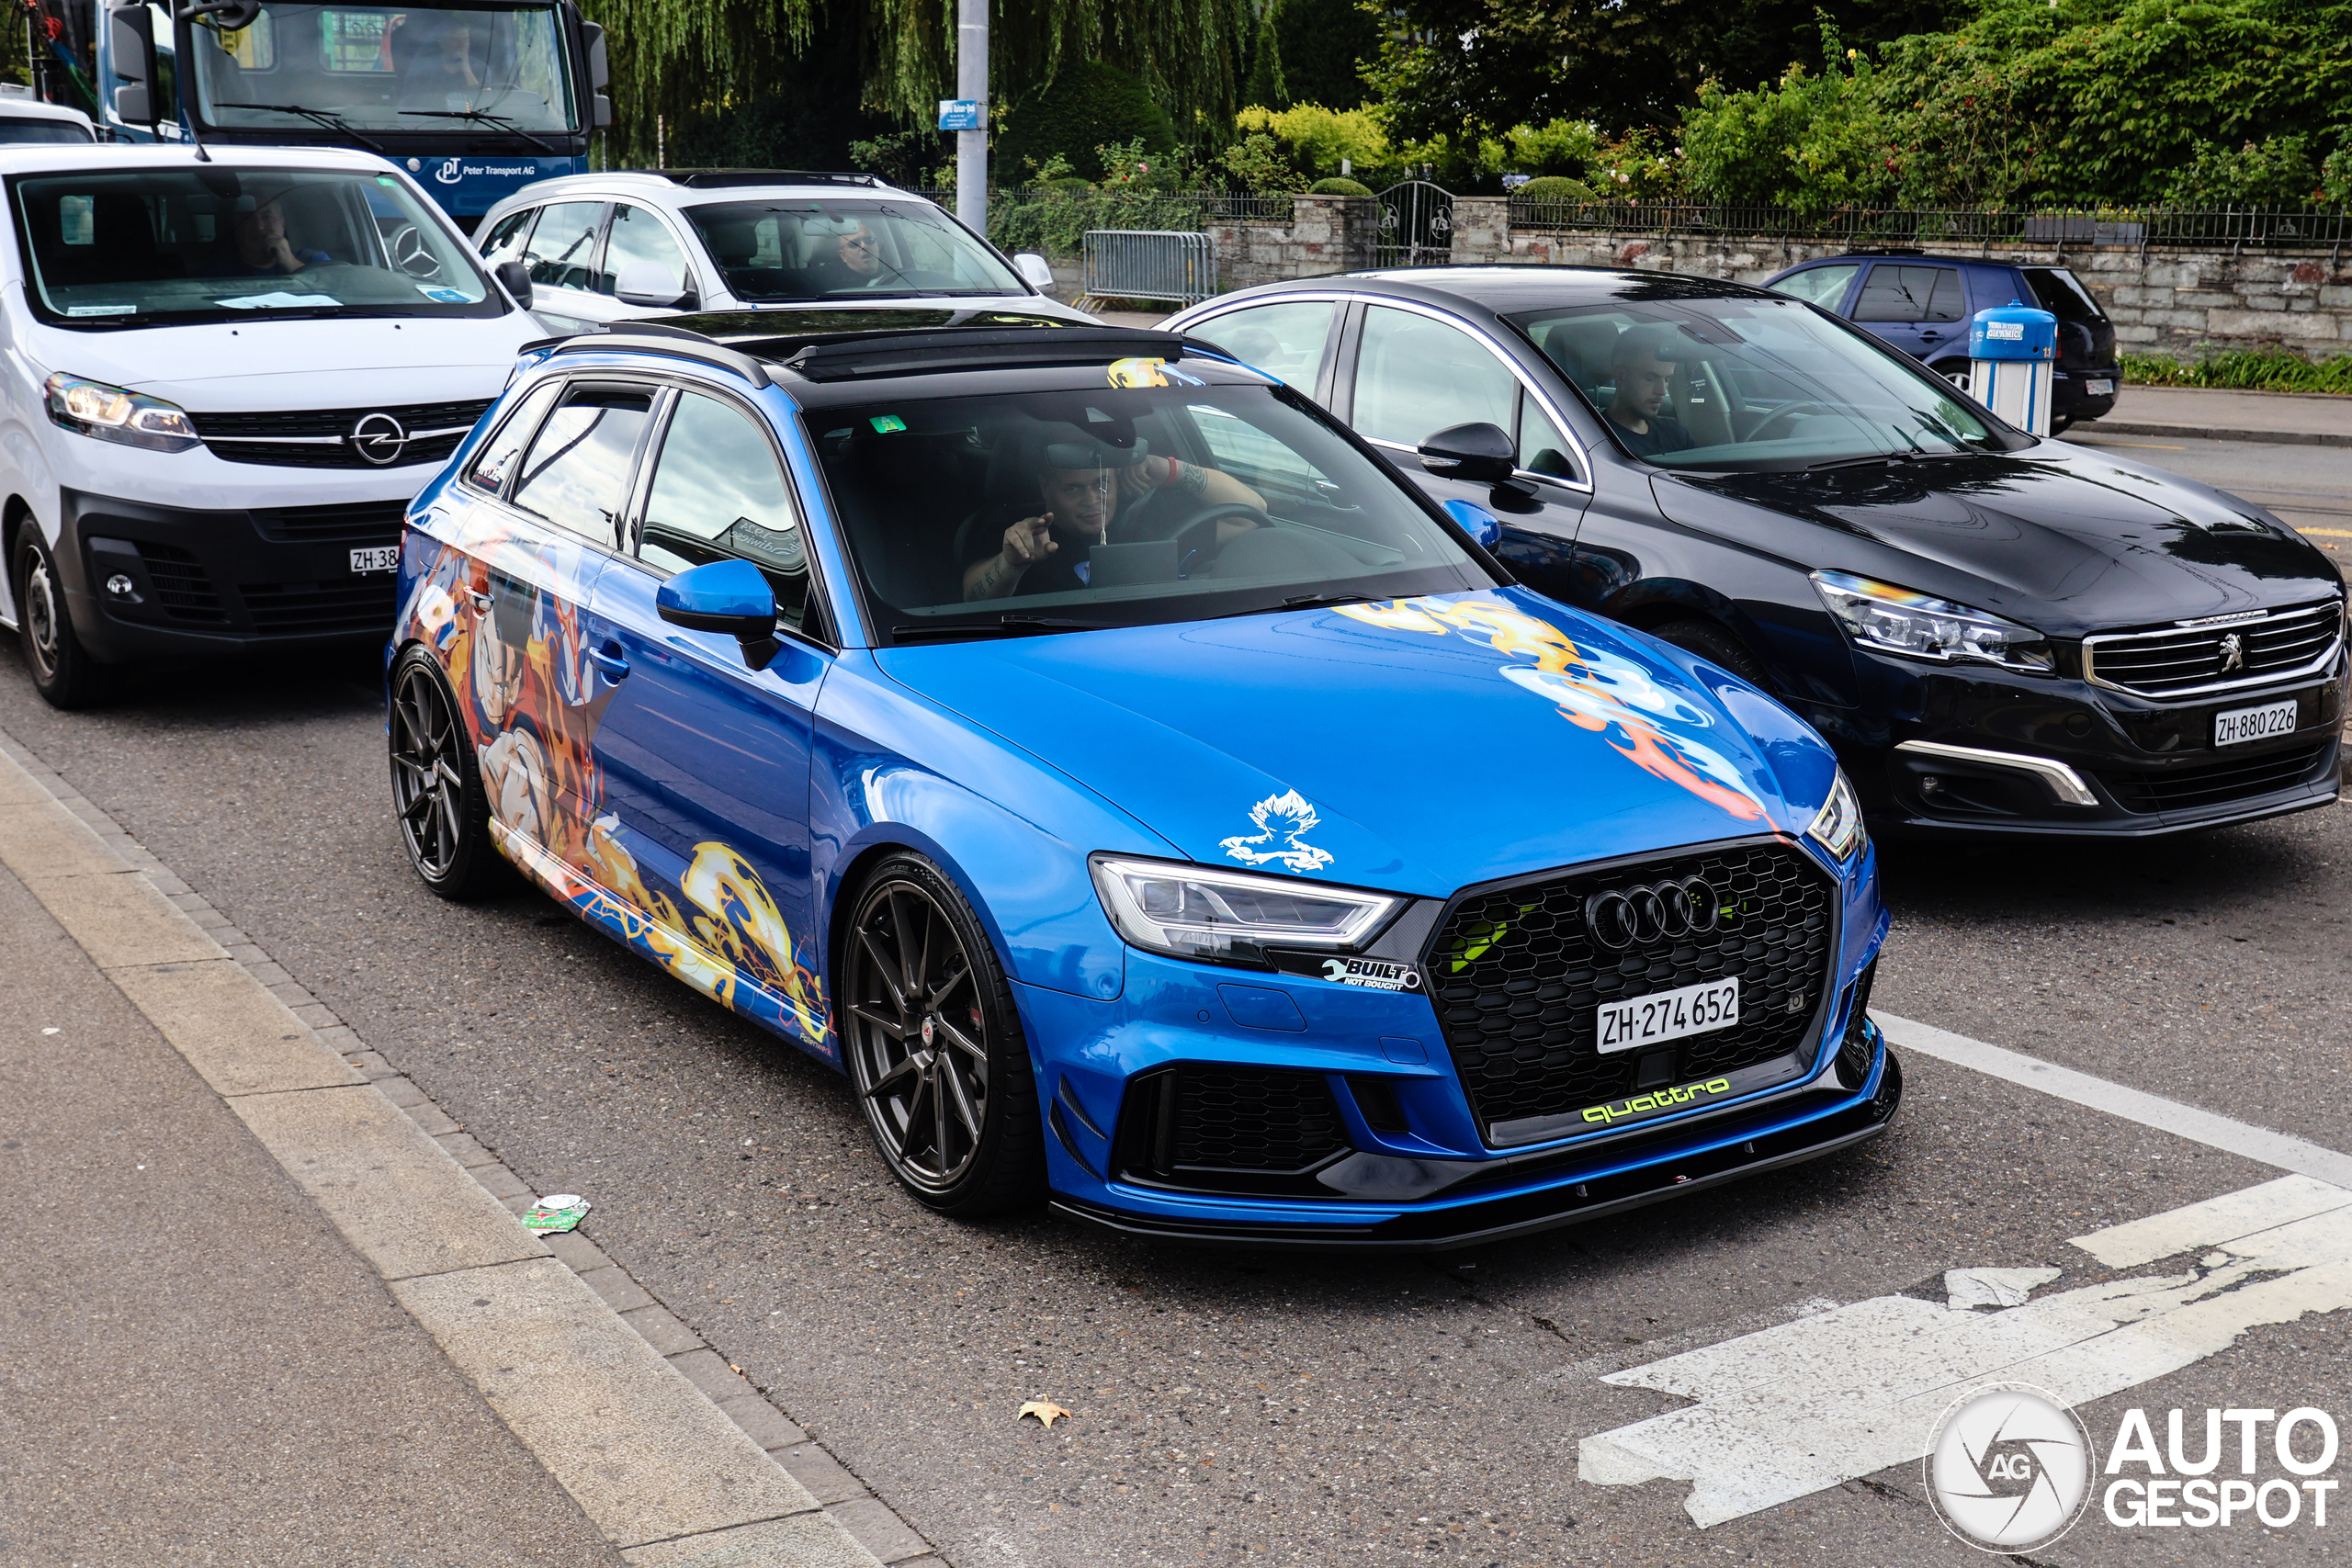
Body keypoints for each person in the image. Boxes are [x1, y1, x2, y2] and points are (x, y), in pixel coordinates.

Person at [962, 428, 1264, 601]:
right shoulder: (1021, 533)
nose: (1092, 500)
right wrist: (1011, 564)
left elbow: (1252, 514)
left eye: (1101, 484)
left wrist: (1170, 469)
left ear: (1118, 479)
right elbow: (971, 598)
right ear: (1045, 487)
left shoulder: (1153, 520)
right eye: (1073, 489)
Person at [1603, 328, 1694, 458]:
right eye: (1650, 378)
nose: (1662, 391)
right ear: (1621, 376)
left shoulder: (1675, 433)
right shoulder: (1599, 440)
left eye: (1667, 379)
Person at [232, 194, 329, 275]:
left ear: (282, 223)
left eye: (267, 217)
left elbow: (337, 289)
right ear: (237, 225)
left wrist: (291, 262)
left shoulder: (314, 261)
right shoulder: (219, 275)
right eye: (248, 218)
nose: (259, 226)